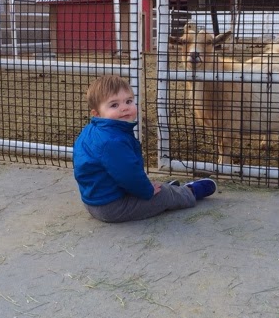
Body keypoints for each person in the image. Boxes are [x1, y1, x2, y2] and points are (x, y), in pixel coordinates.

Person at [73, 75, 216, 223]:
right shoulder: (112, 141)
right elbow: (128, 174)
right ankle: (189, 192)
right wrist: (147, 191)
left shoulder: (92, 130)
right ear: (96, 113)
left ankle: (162, 188)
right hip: (112, 206)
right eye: (114, 105)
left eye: (129, 101)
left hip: (93, 200)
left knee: (146, 184)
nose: (124, 107)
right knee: (163, 196)